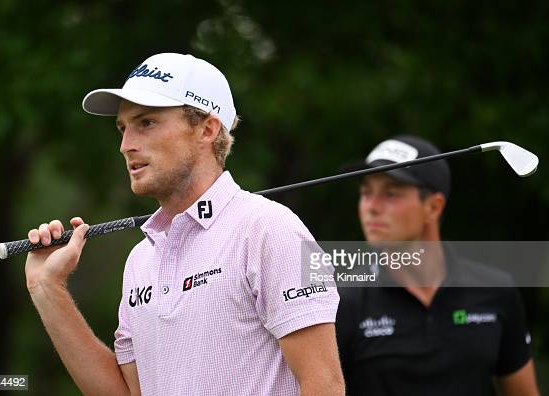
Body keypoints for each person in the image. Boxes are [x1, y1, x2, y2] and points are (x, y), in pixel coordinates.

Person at [24, 53, 344, 395]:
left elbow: (324, 385)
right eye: (123, 128)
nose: (125, 145)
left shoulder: (268, 229)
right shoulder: (140, 261)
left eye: (146, 122)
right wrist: (48, 290)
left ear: (207, 129)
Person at [335, 135, 540, 395]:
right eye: (366, 193)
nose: (371, 207)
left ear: (433, 207)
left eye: (390, 193)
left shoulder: (496, 290)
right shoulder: (341, 302)